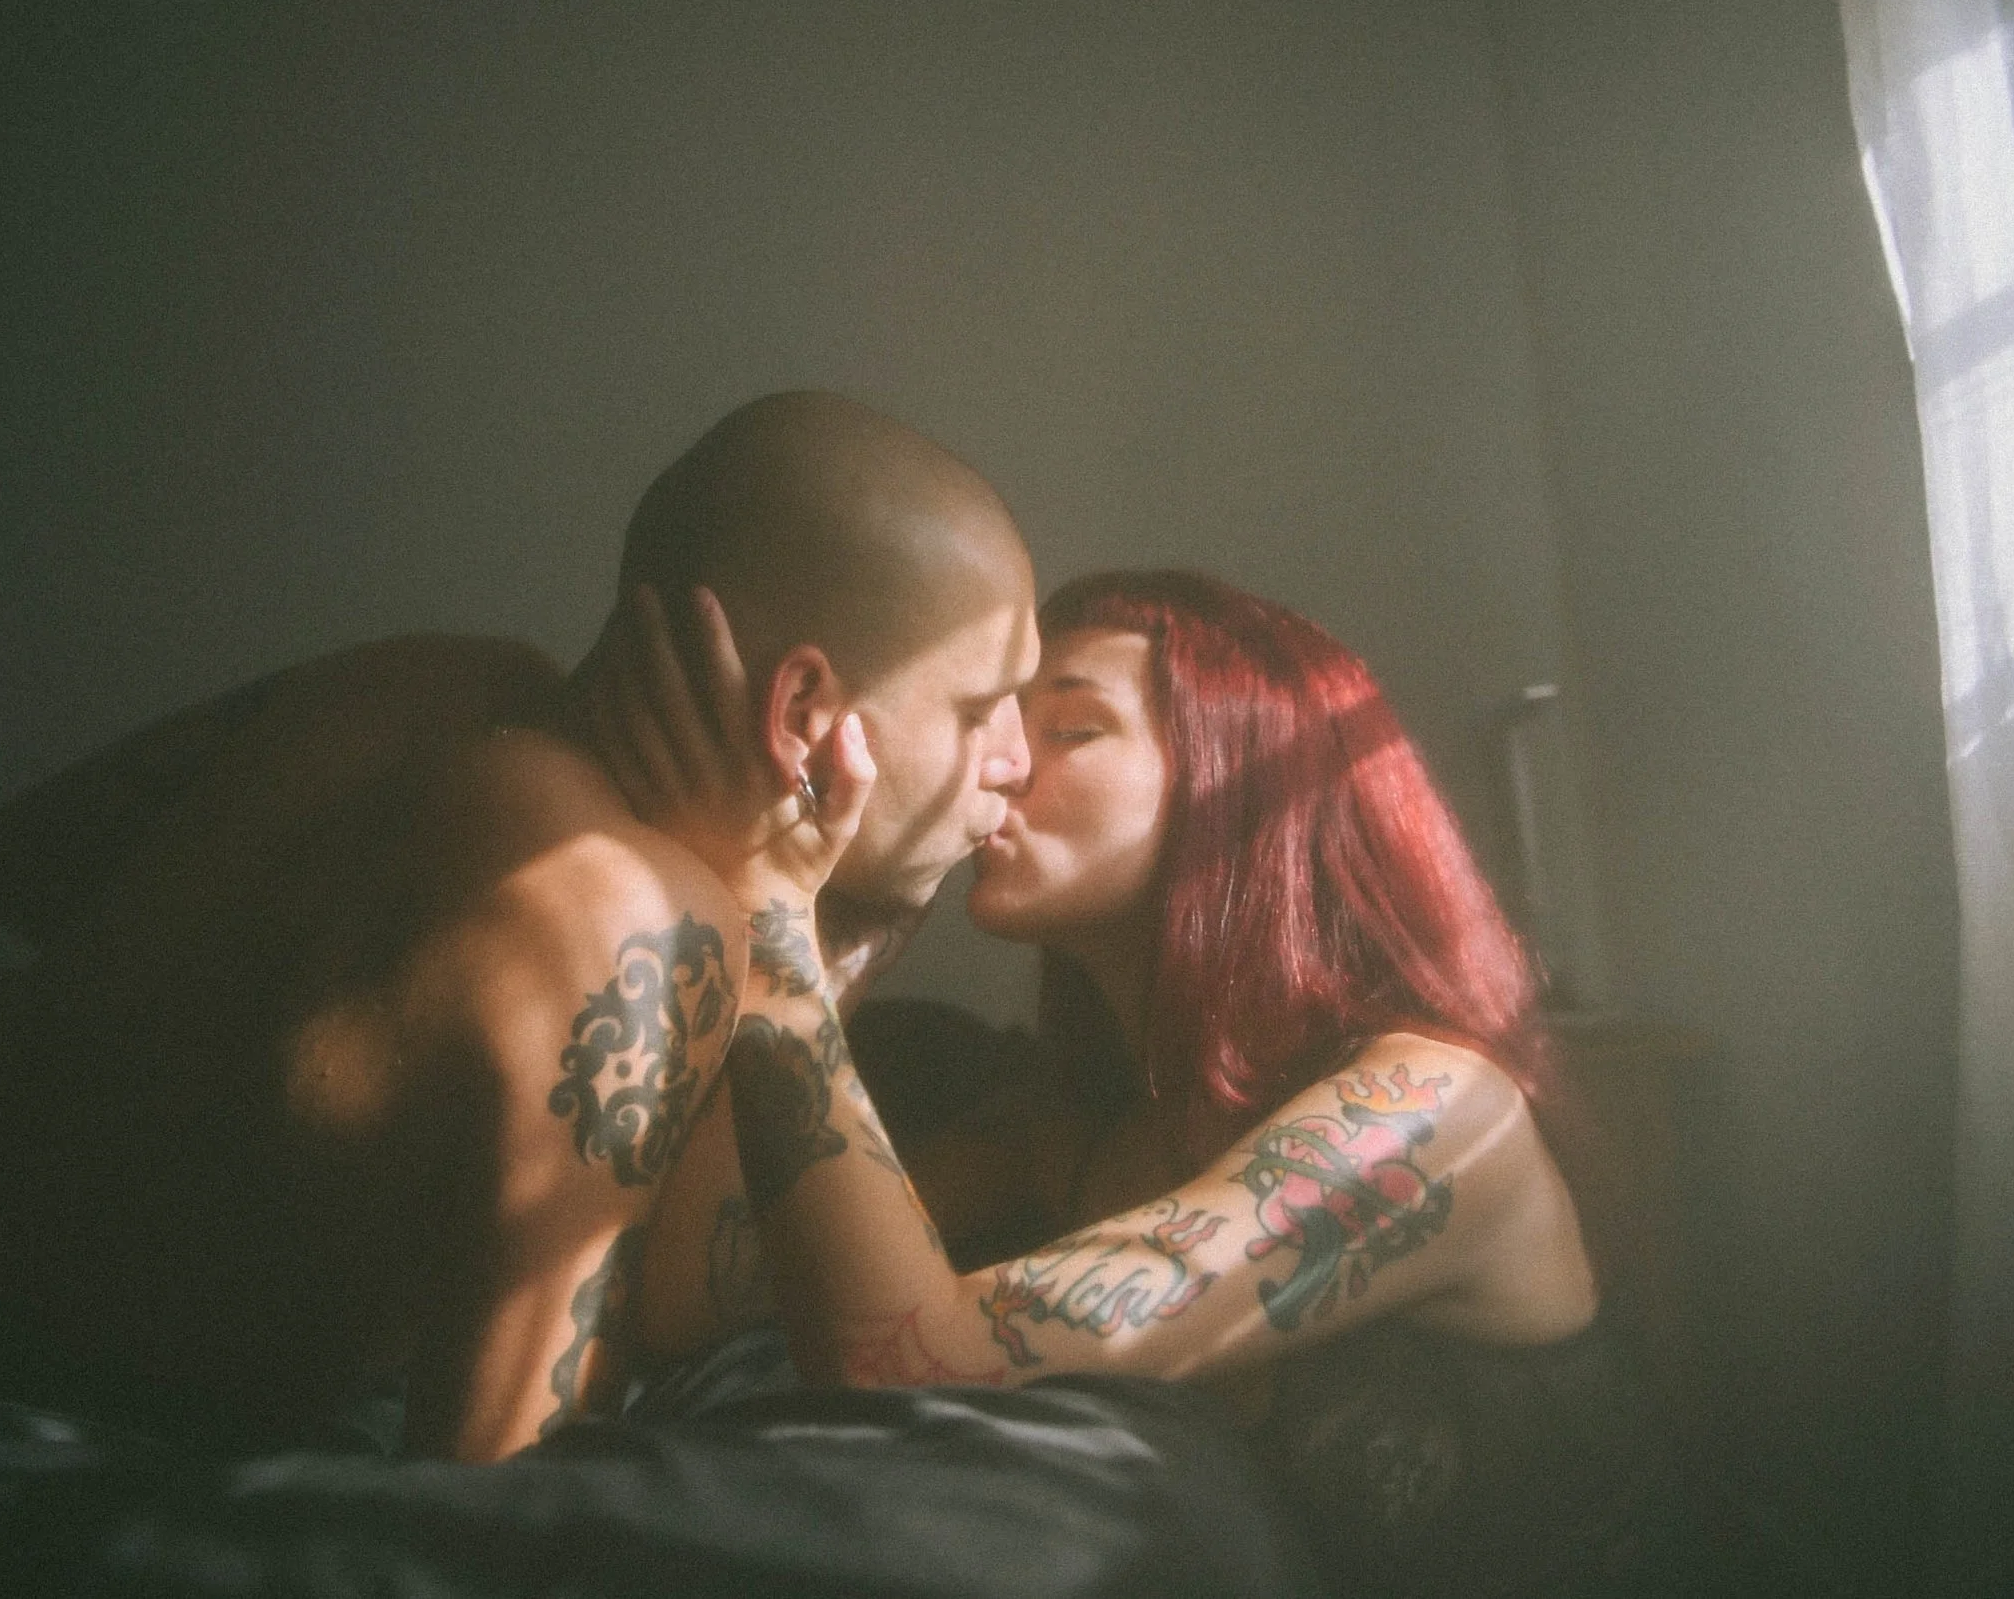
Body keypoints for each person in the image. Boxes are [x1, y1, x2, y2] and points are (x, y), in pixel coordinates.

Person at [0, 390, 1038, 1463]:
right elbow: (498, 1485)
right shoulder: (637, 925)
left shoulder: (445, 677)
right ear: (806, 709)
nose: (1016, 760)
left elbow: (6, 860)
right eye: (984, 707)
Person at [601, 568, 1663, 1592]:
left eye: (1071, 728)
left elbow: (916, 1364)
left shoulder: (1431, 1112)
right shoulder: (1069, 1129)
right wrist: (843, 940)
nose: (1002, 763)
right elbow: (699, 1300)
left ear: (1239, 782)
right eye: (998, 724)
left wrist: (771, 922)